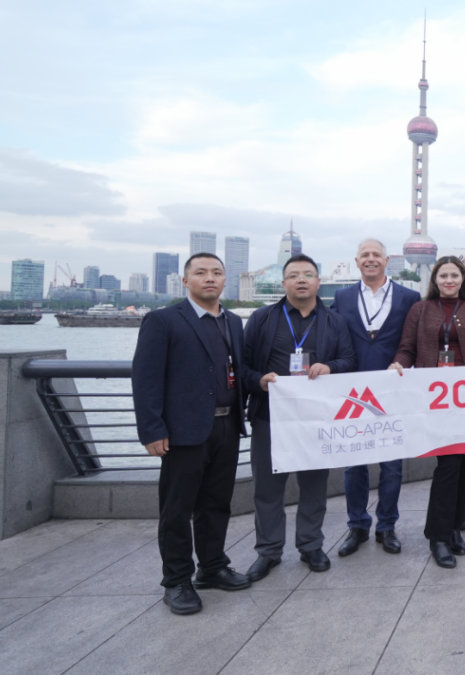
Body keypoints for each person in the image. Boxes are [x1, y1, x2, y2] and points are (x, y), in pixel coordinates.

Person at [134, 253, 251, 615]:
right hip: (183, 432)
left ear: (225, 280)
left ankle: (212, 567)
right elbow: (146, 378)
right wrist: (152, 429)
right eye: (201, 273)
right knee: (177, 508)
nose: (210, 278)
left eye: (217, 272)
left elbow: (237, 371)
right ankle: (176, 580)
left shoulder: (233, 321)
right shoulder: (163, 320)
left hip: (227, 426)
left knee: (216, 503)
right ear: (186, 281)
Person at [245, 254, 357, 582]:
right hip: (270, 416)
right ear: (284, 283)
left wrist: (330, 367)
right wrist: (259, 380)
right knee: (267, 488)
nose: (301, 280)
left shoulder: (335, 321)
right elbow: (243, 365)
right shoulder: (263, 318)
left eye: (308, 274)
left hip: (315, 419)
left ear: (319, 282)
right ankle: (268, 551)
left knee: (314, 486)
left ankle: (310, 545)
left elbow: (349, 359)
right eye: (294, 275)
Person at [389, 256, 465, 569]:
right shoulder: (420, 310)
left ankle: (454, 526)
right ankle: (437, 536)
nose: (449, 281)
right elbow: (407, 348)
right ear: (434, 280)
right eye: (443, 276)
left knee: (463, 463)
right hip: (433, 397)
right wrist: (398, 364)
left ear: (463, 279)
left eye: (454, 275)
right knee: (448, 464)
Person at [331, 239, 421, 557]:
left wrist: (402, 364)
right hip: (353, 392)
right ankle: (357, 525)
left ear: (386, 261)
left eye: (376, 255)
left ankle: (387, 526)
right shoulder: (341, 297)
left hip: (392, 390)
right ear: (357, 262)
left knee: (392, 466)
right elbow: (332, 340)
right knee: (353, 466)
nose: (370, 259)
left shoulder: (409, 297)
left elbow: (413, 341)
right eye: (365, 255)